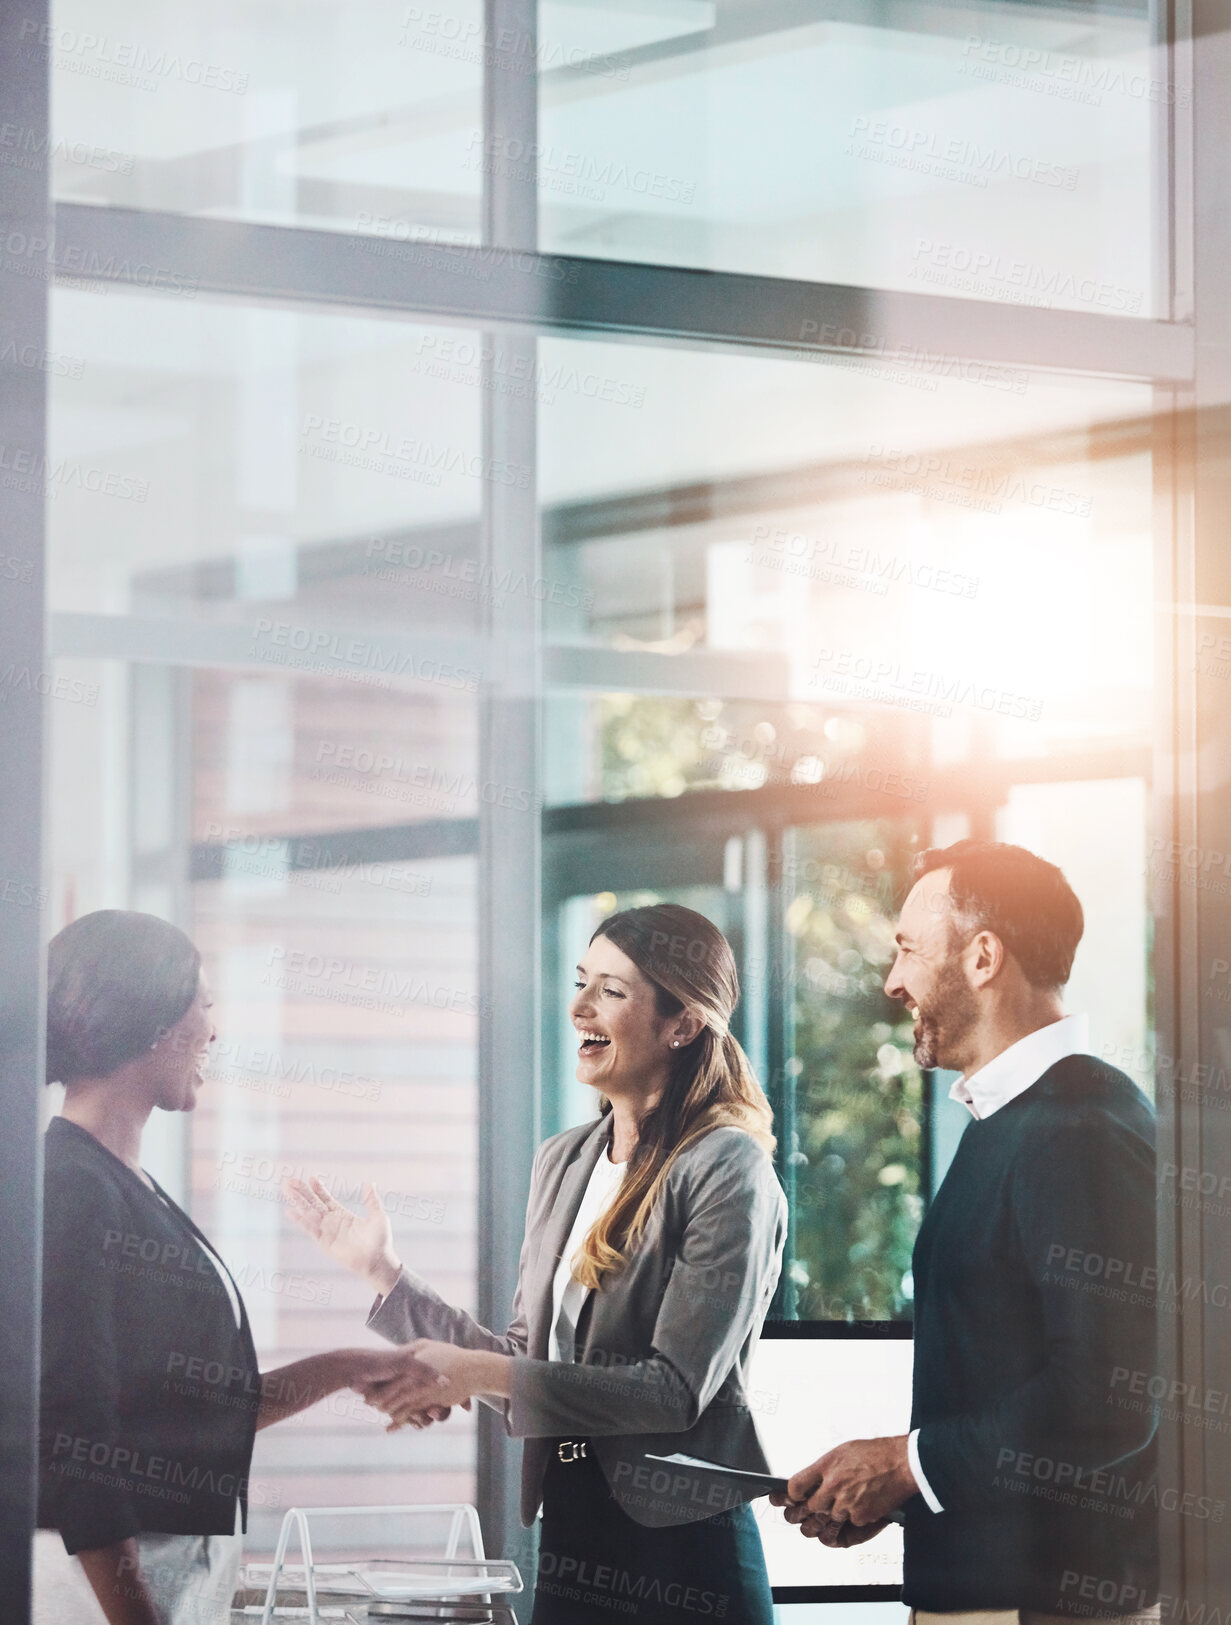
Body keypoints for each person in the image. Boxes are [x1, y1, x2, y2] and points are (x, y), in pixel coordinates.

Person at [287, 902, 788, 1624]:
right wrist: (386, 1277)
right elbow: (525, 1359)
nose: (579, 1005)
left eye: (612, 990)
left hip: (682, 1550)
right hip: (572, 1529)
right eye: (582, 980)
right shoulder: (563, 1160)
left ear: (682, 1023)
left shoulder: (724, 1164)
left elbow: (672, 1392)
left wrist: (476, 1371)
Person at [773, 840, 1158, 1624]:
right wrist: (897, 1487)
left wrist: (906, 1464)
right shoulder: (1012, 1118)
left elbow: (1108, 1395)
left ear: (982, 956)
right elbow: (996, 1372)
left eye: (908, 949)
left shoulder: (1080, 1120)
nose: (892, 982)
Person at [34, 910, 436, 1625]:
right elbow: (75, 1434)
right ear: (151, 1018)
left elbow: (197, 1411)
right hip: (101, 1594)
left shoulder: (124, 1183)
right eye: (204, 1005)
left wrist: (348, 1366)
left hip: (161, 1580)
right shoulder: (72, 1187)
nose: (214, 1031)